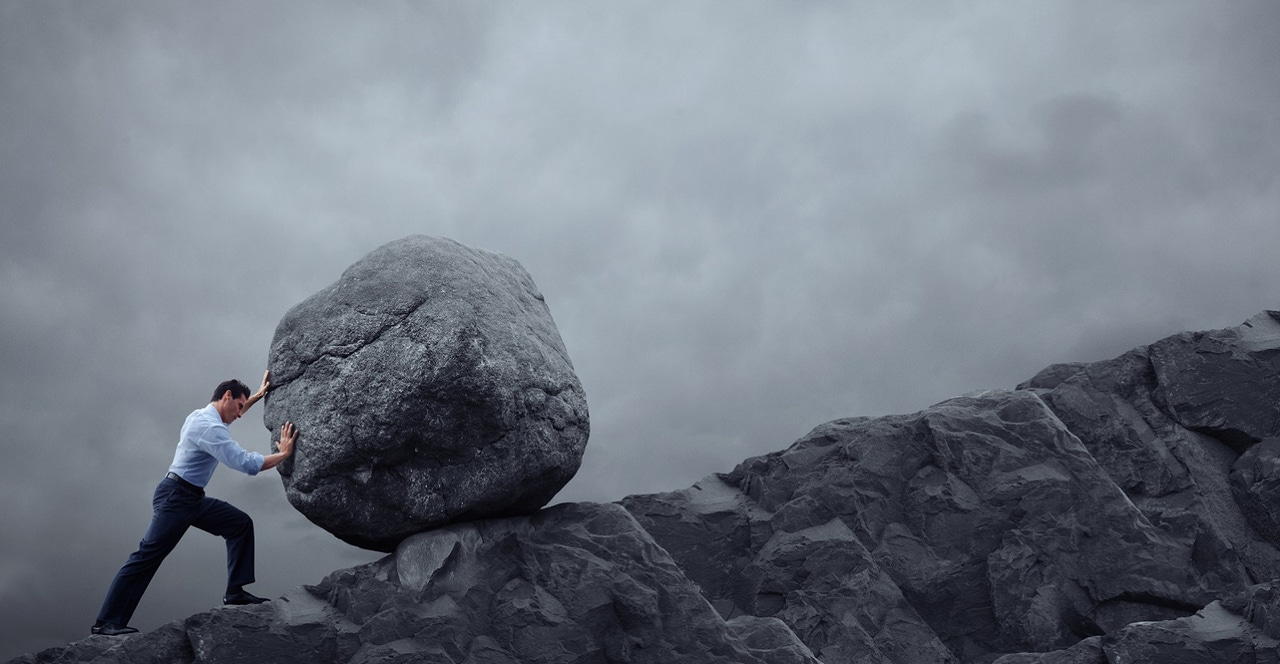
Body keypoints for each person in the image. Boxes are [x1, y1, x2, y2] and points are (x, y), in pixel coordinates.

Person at [91, 371, 297, 637]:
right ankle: (106, 622)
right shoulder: (209, 428)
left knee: (239, 524)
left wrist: (256, 396)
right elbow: (246, 464)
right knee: (145, 558)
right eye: (238, 407)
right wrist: (283, 454)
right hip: (176, 499)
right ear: (226, 397)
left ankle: (235, 592)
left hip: (190, 498)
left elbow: (230, 415)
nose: (240, 414)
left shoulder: (201, 415)